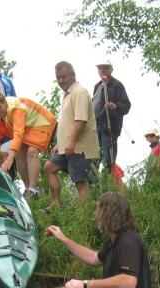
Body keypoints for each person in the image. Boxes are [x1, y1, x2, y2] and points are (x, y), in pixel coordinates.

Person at [0, 90, 57, 200]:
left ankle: (33, 190)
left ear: (4, 102)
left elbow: (18, 133)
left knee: (32, 152)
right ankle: (28, 189)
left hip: (43, 123)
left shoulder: (15, 109)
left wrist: (10, 157)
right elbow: (0, 131)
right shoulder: (5, 113)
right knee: (18, 155)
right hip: (29, 127)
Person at [44, 61, 99, 207]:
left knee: (80, 182)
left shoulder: (79, 92)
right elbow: (68, 123)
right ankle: (56, 205)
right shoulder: (68, 95)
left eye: (64, 77)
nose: (61, 80)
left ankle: (86, 215)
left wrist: (71, 142)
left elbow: (81, 120)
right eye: (58, 78)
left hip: (79, 148)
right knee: (50, 167)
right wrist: (60, 144)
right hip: (68, 146)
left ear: (73, 75)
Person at [92, 60, 131, 169]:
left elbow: (126, 105)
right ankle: (95, 180)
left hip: (110, 127)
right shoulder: (97, 86)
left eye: (105, 67)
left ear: (111, 69)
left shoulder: (117, 85)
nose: (102, 70)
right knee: (94, 159)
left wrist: (115, 106)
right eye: (100, 68)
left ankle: (109, 177)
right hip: (96, 127)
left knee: (108, 159)